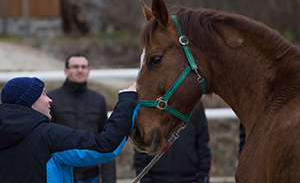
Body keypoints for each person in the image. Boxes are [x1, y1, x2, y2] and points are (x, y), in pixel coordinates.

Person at [0, 77, 139, 183]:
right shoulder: (49, 136)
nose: (49, 100)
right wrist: (127, 103)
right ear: (29, 102)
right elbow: (105, 146)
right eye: (43, 94)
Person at [47, 53, 115, 183]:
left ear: (88, 71)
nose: (80, 70)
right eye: (75, 66)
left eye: (83, 67)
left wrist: (109, 180)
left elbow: (106, 139)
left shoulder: (98, 100)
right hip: (62, 174)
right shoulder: (52, 99)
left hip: (92, 175)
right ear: (66, 71)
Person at [134, 101, 211, 183]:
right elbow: (142, 145)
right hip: (156, 178)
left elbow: (202, 143)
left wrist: (203, 175)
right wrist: (145, 178)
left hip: (189, 178)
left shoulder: (193, 104)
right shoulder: (151, 103)